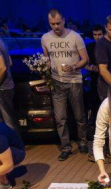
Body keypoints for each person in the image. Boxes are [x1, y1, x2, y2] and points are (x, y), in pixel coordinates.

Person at [41, 9, 89, 161]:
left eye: (58, 23)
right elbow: (47, 58)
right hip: (57, 82)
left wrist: (74, 66)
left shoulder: (75, 37)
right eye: (52, 24)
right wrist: (43, 68)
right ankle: (66, 147)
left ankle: (82, 142)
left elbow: (85, 59)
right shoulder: (45, 38)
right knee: (60, 117)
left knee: (79, 115)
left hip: (74, 81)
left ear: (64, 20)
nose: (56, 26)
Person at [85, 24, 104, 125]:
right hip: (94, 79)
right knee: (95, 105)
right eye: (95, 34)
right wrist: (93, 68)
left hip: (106, 79)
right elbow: (85, 65)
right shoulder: (89, 47)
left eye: (99, 34)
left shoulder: (108, 45)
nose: (97, 37)